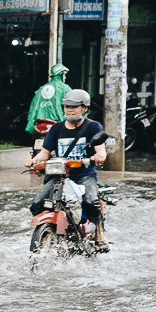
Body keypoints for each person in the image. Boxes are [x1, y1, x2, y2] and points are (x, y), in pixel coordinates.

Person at [24, 88, 109, 252]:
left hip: (84, 175)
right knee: (36, 205)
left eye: (74, 106)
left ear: (84, 108)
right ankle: (50, 231)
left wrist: (98, 156)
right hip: (58, 176)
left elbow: (101, 151)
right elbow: (45, 153)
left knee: (91, 202)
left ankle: (99, 234)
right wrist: (33, 161)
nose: (69, 110)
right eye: (67, 106)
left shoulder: (93, 127)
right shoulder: (56, 128)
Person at [25, 63, 71, 135]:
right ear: (60, 75)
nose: (65, 78)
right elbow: (71, 104)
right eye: (64, 75)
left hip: (39, 124)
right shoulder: (65, 88)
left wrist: (30, 124)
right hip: (58, 123)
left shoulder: (41, 88)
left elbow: (33, 108)